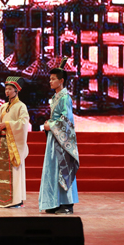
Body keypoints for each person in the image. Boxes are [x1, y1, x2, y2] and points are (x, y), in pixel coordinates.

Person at [40, 57, 79, 215]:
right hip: (54, 138)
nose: (50, 81)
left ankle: (67, 203)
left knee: (63, 169)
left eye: (53, 79)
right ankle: (55, 202)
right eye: (50, 79)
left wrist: (51, 125)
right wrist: (49, 123)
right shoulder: (55, 97)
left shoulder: (65, 98)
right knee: (53, 169)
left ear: (61, 81)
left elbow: (67, 120)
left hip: (62, 139)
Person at [0, 76, 30, 208]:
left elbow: (24, 123)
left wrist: (7, 124)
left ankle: (16, 200)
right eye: (6, 89)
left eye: (10, 89)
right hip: (2, 143)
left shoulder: (21, 106)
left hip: (13, 144)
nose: (7, 91)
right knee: (2, 172)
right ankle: (3, 199)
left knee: (14, 172)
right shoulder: (3, 106)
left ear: (16, 90)